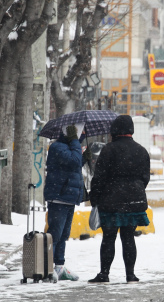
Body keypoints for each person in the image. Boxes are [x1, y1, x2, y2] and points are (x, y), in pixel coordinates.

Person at [87, 114, 150, 283]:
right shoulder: (141, 150)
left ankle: (104, 273)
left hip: (111, 202)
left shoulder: (108, 150)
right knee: (128, 237)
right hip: (134, 201)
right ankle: (130, 274)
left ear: (115, 130)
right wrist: (135, 190)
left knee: (109, 238)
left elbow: (99, 177)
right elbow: (145, 178)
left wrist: (95, 197)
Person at [43, 124, 86, 281]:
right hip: (59, 195)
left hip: (68, 196)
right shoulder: (57, 147)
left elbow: (72, 166)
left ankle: (59, 266)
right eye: (80, 132)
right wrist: (75, 143)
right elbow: (73, 162)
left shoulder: (68, 147)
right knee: (55, 233)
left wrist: (84, 157)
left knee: (64, 235)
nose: (82, 134)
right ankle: (47, 268)